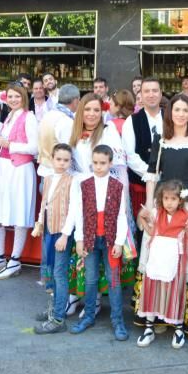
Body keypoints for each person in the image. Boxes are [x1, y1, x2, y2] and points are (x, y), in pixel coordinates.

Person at [138, 93, 188, 334]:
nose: (180, 114)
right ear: (169, 113)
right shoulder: (160, 140)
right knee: (159, 258)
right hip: (164, 208)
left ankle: (185, 316)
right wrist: (149, 208)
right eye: (176, 110)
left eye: (185, 110)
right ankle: (159, 314)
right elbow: (152, 176)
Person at [58, 93, 132, 302]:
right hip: (78, 192)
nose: (91, 114)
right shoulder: (72, 131)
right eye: (87, 109)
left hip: (104, 195)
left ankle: (96, 300)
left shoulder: (108, 132)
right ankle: (75, 296)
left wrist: (122, 201)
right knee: (78, 246)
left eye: (96, 110)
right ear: (80, 110)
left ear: (102, 113)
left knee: (99, 249)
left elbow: (119, 168)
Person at [63, 145, 130, 341]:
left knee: (114, 281)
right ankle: (89, 316)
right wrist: (79, 239)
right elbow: (78, 212)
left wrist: (119, 242)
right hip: (90, 239)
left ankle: (117, 321)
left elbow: (121, 216)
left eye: (103, 163)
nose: (98, 167)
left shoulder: (118, 186)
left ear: (110, 163)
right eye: (95, 163)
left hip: (110, 240)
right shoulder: (84, 184)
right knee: (90, 279)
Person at [137, 179, 188, 349]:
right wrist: (143, 219)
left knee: (174, 291)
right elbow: (152, 232)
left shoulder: (186, 216)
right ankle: (149, 327)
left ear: (180, 200)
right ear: (161, 198)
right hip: (157, 257)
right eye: (166, 198)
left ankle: (178, 328)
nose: (169, 202)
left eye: (173, 199)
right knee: (153, 288)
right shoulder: (156, 213)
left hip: (176, 259)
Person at [0, 84, 39, 280]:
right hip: (4, 169)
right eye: (10, 96)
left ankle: (15, 260)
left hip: (20, 170)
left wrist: (10, 145)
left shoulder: (29, 117)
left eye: (17, 96)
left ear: (24, 97)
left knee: (19, 214)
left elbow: (35, 147)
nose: (14, 99)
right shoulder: (8, 116)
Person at [32, 143, 78, 334]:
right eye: (58, 159)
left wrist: (65, 235)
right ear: (52, 159)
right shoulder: (48, 179)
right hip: (49, 231)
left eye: (66, 160)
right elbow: (45, 204)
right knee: (50, 272)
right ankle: (53, 309)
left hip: (62, 233)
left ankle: (59, 317)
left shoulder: (72, 181)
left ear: (70, 162)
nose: (61, 163)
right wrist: (40, 224)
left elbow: (74, 209)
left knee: (59, 273)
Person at [122, 76, 162, 220]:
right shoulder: (131, 121)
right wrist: (151, 175)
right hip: (141, 185)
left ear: (161, 94)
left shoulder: (171, 117)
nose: (151, 95)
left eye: (155, 91)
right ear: (141, 95)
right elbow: (130, 155)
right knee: (143, 227)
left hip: (169, 186)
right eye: (147, 91)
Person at [36, 84, 79, 180]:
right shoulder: (66, 121)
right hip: (58, 175)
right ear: (76, 100)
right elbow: (70, 150)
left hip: (44, 170)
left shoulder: (47, 115)